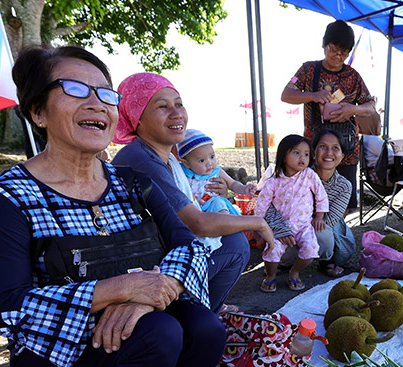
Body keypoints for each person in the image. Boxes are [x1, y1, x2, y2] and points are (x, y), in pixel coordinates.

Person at [0, 45, 233, 367]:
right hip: (58, 345)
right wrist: (116, 289)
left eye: (106, 94)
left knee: (205, 326)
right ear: (38, 112)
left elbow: (190, 247)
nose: (97, 103)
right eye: (75, 89)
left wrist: (145, 292)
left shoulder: (132, 183)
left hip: (141, 317)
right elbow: (5, 308)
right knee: (162, 334)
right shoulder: (8, 197)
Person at [112, 73, 275, 314]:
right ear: (138, 118)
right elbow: (197, 223)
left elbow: (190, 205)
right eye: (162, 106)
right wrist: (258, 223)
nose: (176, 113)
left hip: (158, 252)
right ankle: (200, 313)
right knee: (237, 245)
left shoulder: (165, 158)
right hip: (142, 269)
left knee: (233, 239)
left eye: (179, 104)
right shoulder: (142, 159)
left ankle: (204, 309)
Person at [281, 19, 375, 211]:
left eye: (344, 53)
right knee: (311, 199)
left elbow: (370, 106)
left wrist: (352, 109)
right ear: (324, 44)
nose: (338, 56)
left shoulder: (353, 76)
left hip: (345, 151)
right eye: (333, 50)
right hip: (315, 148)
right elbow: (286, 94)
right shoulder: (308, 70)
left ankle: (336, 237)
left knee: (344, 202)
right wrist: (312, 95)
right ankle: (314, 238)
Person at [257, 134, 329, 293]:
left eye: (306, 154)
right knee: (272, 251)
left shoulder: (309, 175)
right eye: (296, 153)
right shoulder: (274, 180)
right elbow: (262, 204)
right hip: (279, 227)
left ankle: (294, 272)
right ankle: (270, 276)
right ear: (283, 156)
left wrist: (319, 217)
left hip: (304, 226)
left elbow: (321, 195)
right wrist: (260, 229)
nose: (302, 157)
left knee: (311, 251)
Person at [177, 129, 255, 214]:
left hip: (217, 208)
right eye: (202, 160)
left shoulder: (216, 171)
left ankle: (227, 222)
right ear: (186, 164)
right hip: (196, 212)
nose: (209, 163)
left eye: (212, 156)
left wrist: (244, 189)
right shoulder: (183, 175)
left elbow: (232, 184)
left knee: (218, 203)